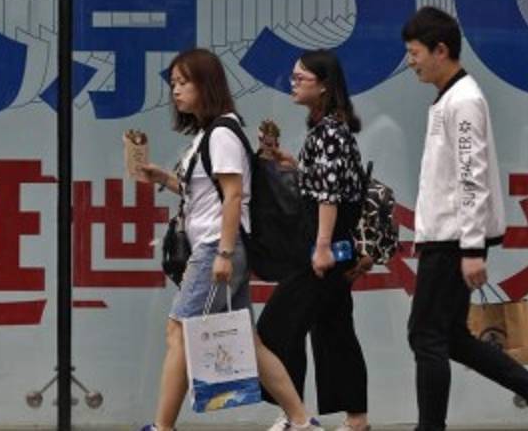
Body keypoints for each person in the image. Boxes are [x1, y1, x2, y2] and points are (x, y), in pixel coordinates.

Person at [401, 6, 528, 431]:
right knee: (450, 337)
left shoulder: (464, 100)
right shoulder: (451, 98)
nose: (410, 62)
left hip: (453, 238)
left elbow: (471, 174)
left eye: (415, 52)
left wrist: (472, 248)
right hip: (448, 235)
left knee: (426, 336)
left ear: (441, 50)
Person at [136, 48, 322, 431]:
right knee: (247, 341)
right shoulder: (212, 133)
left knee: (179, 331)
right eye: (173, 83)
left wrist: (222, 253)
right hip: (221, 247)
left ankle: (162, 427)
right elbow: (209, 194)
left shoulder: (221, 133)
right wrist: (164, 179)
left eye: (184, 82)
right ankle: (302, 421)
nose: (176, 91)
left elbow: (234, 196)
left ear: (206, 85)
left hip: (217, 248)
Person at [256, 49, 371, 431]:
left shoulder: (331, 133)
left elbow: (330, 196)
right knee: (334, 330)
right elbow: (326, 184)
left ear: (323, 86)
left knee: (276, 328)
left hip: (323, 251)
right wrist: (294, 164)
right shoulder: (328, 130)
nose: (293, 83)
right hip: (331, 249)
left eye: (300, 78)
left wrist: (321, 247)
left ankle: (296, 417)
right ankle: (356, 421)